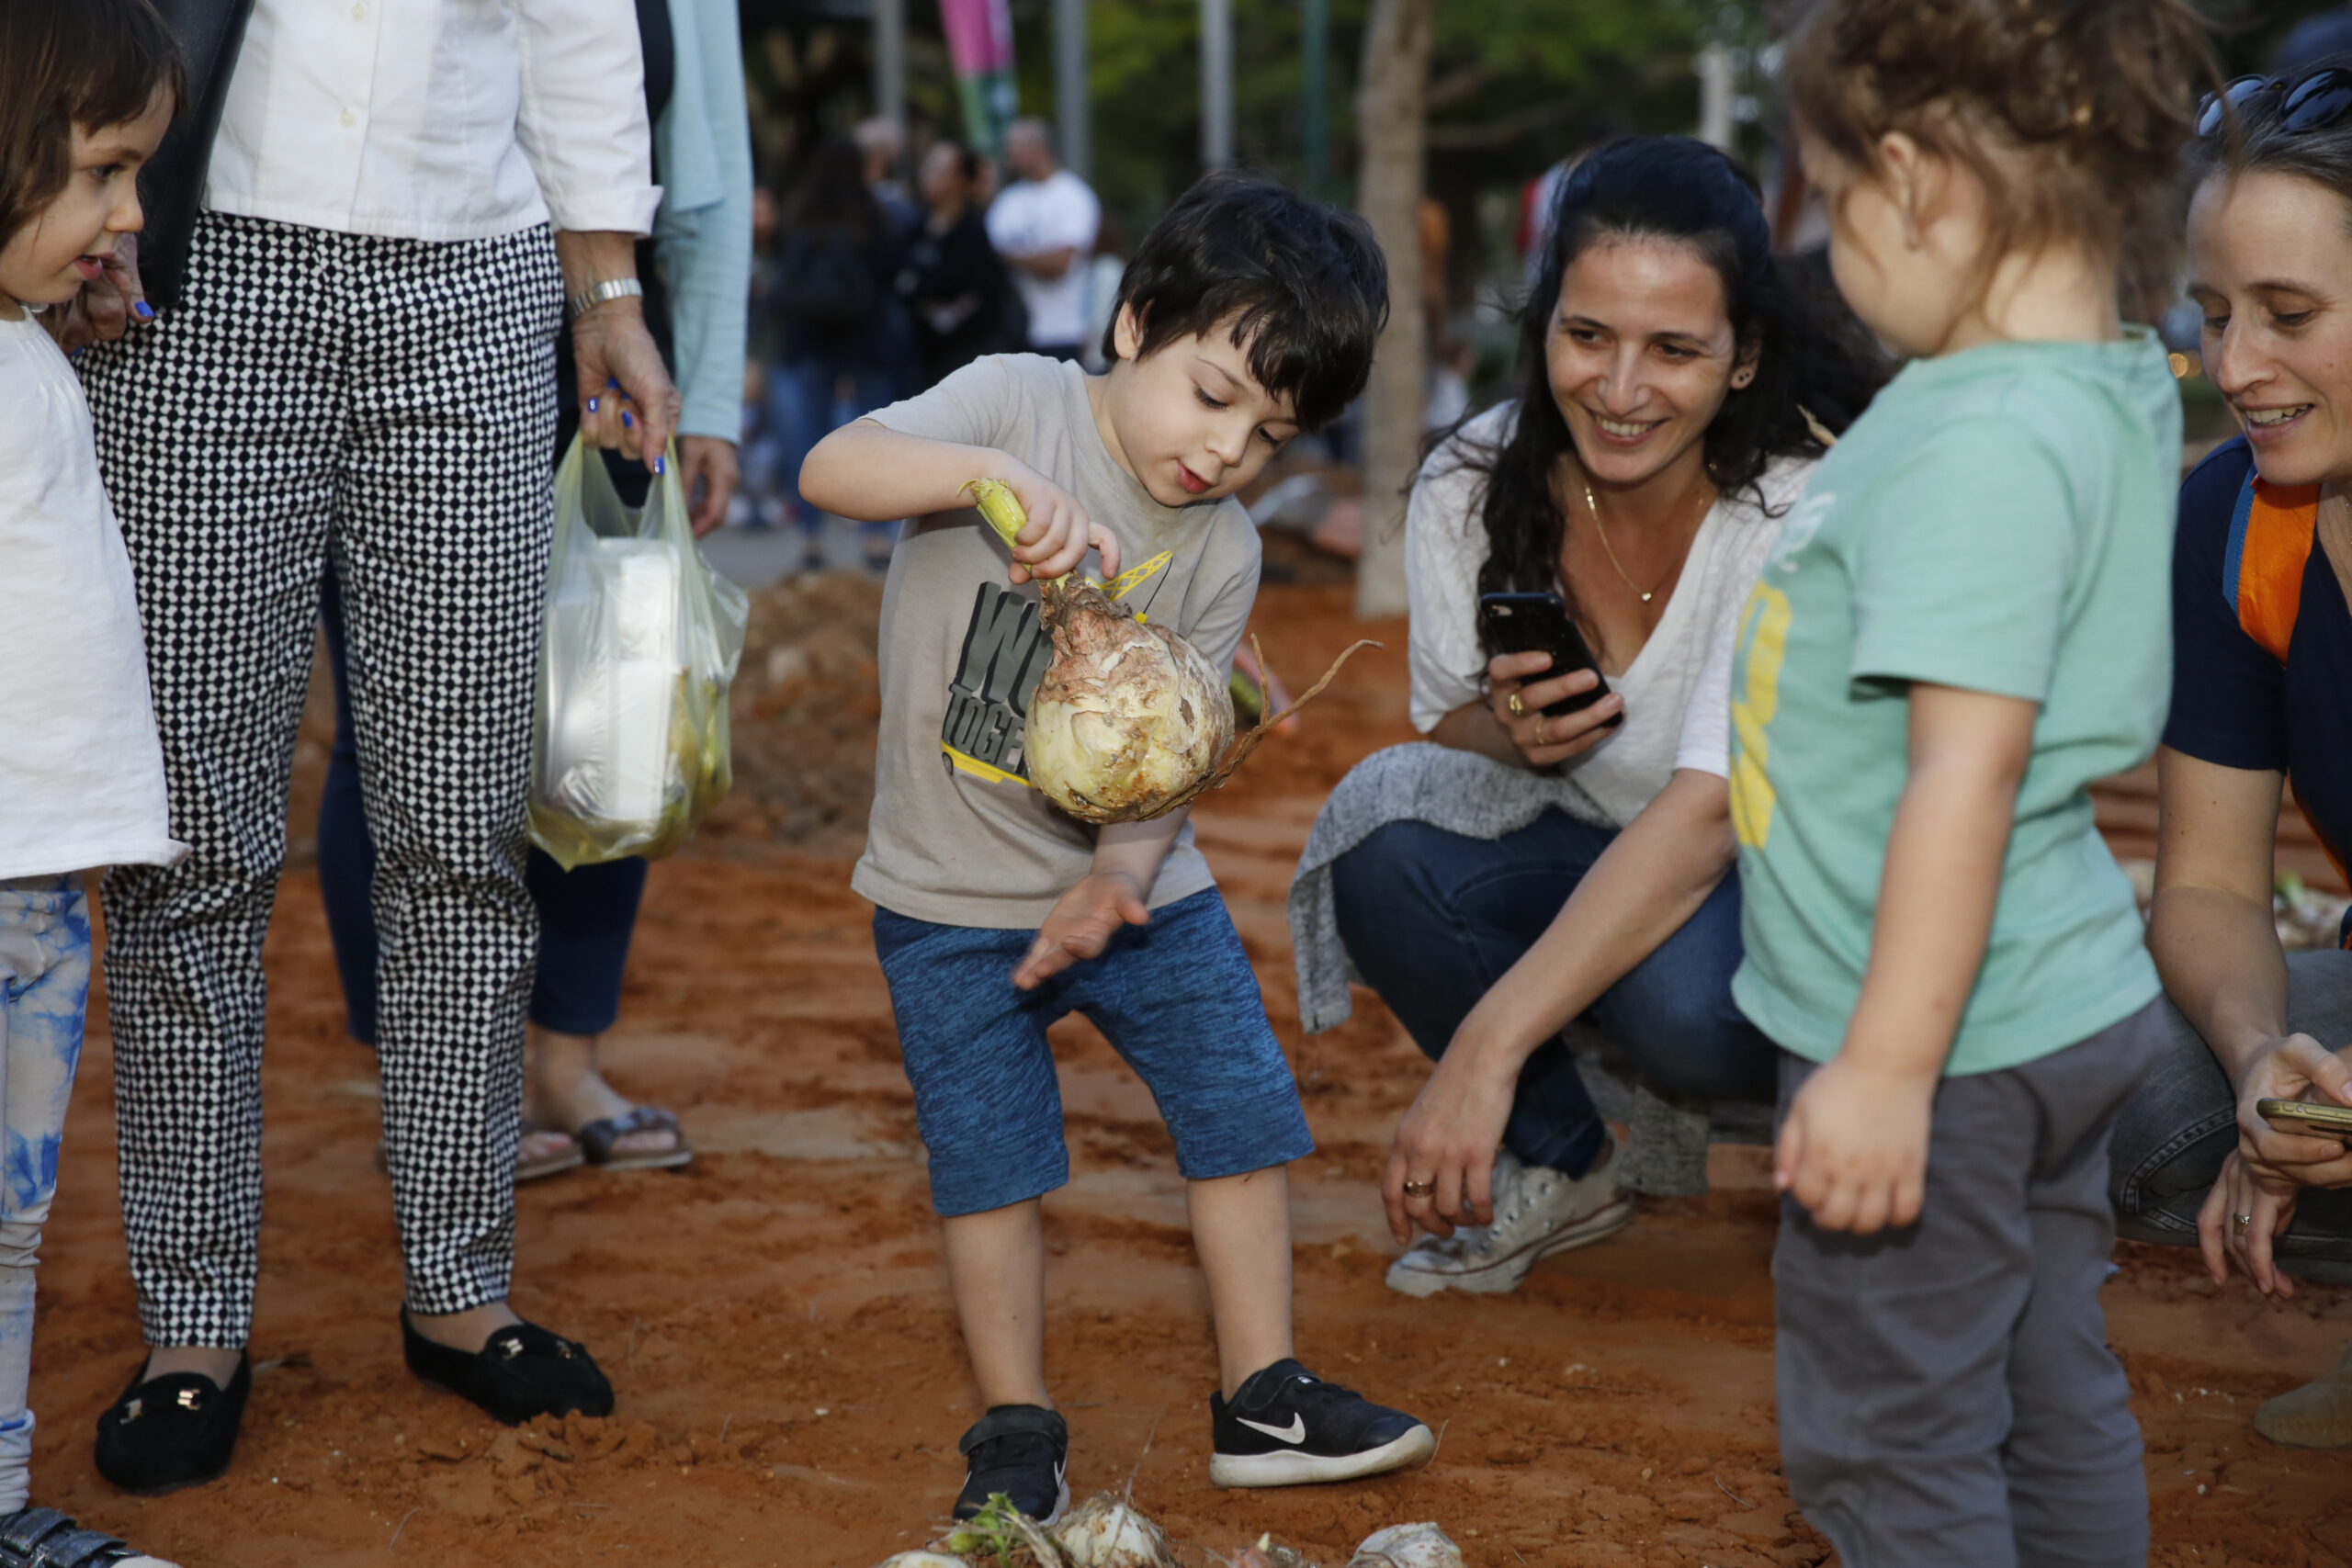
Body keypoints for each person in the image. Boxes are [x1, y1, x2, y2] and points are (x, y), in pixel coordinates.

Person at [76, 0, 675, 1494]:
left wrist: (606, 286)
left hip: (474, 283)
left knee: (459, 833)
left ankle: (460, 1289)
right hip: (198, 259)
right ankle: (193, 1323)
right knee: (194, 845)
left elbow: (580, 13)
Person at [799, 171, 1429, 1525]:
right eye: (1215, 396)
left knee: (1241, 1112)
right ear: (1137, 323)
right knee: (989, 1163)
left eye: (1270, 435)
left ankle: (1261, 1391)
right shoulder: (1012, 403)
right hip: (944, 894)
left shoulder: (1222, 547)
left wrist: (1122, 874)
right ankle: (1015, 1422)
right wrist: (987, 476)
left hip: (1144, 888)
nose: (1225, 453)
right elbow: (829, 466)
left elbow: (1171, 754)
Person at [1743, 2, 2209, 1561]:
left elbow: (1968, 766)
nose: (1821, 254)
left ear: (1918, 176)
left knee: (1891, 1441)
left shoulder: (1978, 439)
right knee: (2036, 1377)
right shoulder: (2106, 382)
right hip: (2047, 994)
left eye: (1827, 198)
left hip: (1942, 1029)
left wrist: (1883, 1067)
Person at [1289, 136, 1883, 1298]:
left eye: (1674, 350)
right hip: (1597, 850)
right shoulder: (1472, 478)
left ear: (1744, 355)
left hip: (1779, 887)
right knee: (1380, 840)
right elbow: (1441, 720)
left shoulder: (1799, 511)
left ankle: (1756, 1099)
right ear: (1544, 322)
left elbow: (1710, 815)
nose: (1619, 391)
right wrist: (1504, 731)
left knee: (1676, 1004)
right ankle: (1569, 1159)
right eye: (1588, 336)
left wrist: (1484, 1049)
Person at [311, 0, 752, 1183]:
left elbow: (704, 175)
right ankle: (440, 1077)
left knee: (608, 719)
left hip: (608, 355)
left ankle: (565, 1056)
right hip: (413, 326)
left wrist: (708, 393)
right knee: (397, 722)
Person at [2107, 62, 2352, 1450]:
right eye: (2213, 313)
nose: (2234, 364)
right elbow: (2202, 885)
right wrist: (2267, 1058)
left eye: (2291, 315)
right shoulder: (2235, 520)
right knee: (2135, 1097)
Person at [0, 6, 187, 1562]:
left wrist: (81, 318)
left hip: (45, 881)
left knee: (9, 1231)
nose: (132, 212)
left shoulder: (27, 345)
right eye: (102, 171)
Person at [772, 135, 907, 569]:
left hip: (807, 347)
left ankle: (810, 538)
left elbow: (783, 286)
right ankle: (876, 538)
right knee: (873, 444)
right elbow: (889, 280)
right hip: (864, 350)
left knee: (805, 446)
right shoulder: (874, 216)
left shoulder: (799, 217)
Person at [899, 137, 1023, 389]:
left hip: (966, 356)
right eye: (928, 167)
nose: (928, 176)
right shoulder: (915, 229)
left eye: (940, 170)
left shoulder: (974, 232)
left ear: (961, 179)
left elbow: (979, 288)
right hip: (921, 356)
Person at [986, 118, 1101, 362]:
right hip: (1010, 331)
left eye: (1014, 147)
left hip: (1060, 333)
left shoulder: (1072, 196)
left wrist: (1006, 257)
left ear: (1037, 147)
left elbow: (1059, 264)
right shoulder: (1007, 200)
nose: (1008, 155)